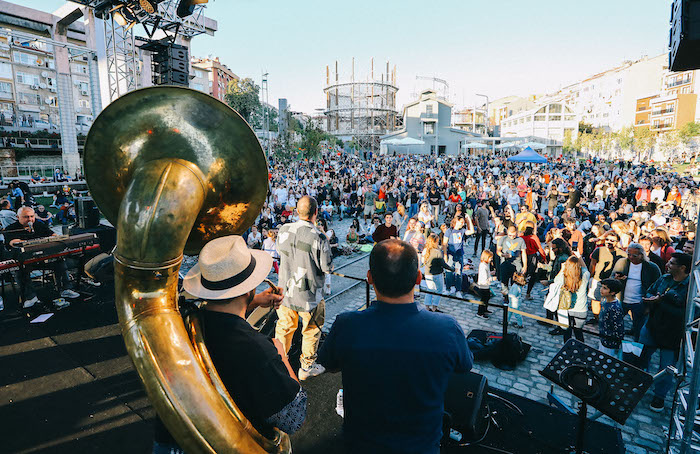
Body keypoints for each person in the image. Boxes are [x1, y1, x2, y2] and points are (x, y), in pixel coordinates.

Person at [318, 239, 473, 453]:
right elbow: (464, 366)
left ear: (370, 278)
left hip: (360, 444)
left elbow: (329, 363)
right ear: (418, 278)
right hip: (421, 446)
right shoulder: (447, 329)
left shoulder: (346, 325)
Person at [154, 235, 306, 453]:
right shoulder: (260, 351)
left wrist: (253, 302)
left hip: (176, 438)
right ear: (247, 289)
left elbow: (222, 312)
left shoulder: (183, 323)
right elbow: (294, 418)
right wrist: (281, 354)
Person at [275, 196, 333, 380]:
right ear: (316, 213)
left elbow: (279, 252)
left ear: (296, 211)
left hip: (285, 291)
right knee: (311, 330)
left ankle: (278, 362)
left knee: (284, 328)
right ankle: (306, 367)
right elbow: (328, 267)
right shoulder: (319, 236)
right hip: (309, 295)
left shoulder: (284, 229)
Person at [640, 252, 692, 412]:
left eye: (671, 263)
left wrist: (661, 302)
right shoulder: (664, 278)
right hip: (652, 326)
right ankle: (639, 383)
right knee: (641, 357)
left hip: (672, 334)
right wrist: (652, 298)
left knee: (666, 367)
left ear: (682, 268)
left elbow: (686, 314)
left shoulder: (691, 287)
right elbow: (650, 290)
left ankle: (659, 396)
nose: (667, 265)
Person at [4, 206, 80, 309]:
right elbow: (13, 243)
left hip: (43, 258)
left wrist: (52, 238)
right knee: (19, 270)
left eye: (32, 216)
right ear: (18, 217)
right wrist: (29, 243)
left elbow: (53, 235)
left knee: (59, 261)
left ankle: (65, 289)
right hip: (25, 261)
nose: (30, 219)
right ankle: (31, 297)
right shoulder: (11, 229)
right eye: (26, 217)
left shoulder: (39, 224)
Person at [612, 243, 661, 341]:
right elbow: (612, 278)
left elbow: (658, 285)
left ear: (641, 255)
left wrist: (649, 306)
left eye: (634, 255)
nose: (631, 257)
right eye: (629, 254)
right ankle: (615, 343)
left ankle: (635, 349)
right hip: (622, 300)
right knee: (615, 324)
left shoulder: (651, 267)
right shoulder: (622, 262)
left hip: (640, 302)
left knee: (639, 329)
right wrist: (617, 279)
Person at [587, 231, 627, 325]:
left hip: (613, 282)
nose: (609, 242)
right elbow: (593, 263)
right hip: (598, 279)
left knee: (609, 302)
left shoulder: (622, 254)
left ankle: (606, 319)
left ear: (617, 242)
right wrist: (591, 276)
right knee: (595, 299)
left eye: (612, 240)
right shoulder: (599, 250)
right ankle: (596, 318)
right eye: (607, 239)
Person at [549, 256, 590, 341]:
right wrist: (579, 256)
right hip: (581, 309)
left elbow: (556, 281)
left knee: (567, 333)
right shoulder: (585, 275)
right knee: (578, 333)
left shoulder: (563, 276)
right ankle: (579, 352)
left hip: (566, 309)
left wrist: (563, 268)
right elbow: (585, 268)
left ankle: (567, 351)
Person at [422, 233, 454, 312]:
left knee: (429, 290)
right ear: (435, 242)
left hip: (428, 274)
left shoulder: (425, 250)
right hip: (437, 274)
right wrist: (452, 269)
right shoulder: (437, 252)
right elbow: (443, 264)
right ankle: (434, 308)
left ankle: (426, 307)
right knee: (439, 291)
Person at [597, 278, 625, 358]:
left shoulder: (615, 308)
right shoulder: (604, 300)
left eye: (605, 288)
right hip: (603, 337)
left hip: (610, 342)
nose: (601, 289)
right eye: (602, 287)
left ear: (612, 292)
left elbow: (619, 328)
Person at [496, 225, 527, 294]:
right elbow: (498, 251)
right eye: (510, 235)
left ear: (517, 232)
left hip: (517, 264)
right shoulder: (503, 239)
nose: (512, 237)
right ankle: (506, 297)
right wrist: (503, 255)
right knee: (504, 282)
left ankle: (513, 298)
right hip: (505, 263)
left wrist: (525, 266)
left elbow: (524, 253)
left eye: (513, 235)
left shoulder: (520, 240)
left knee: (515, 284)